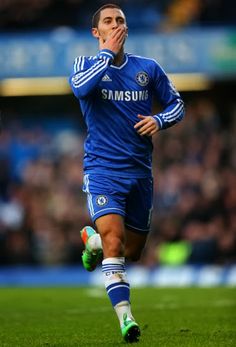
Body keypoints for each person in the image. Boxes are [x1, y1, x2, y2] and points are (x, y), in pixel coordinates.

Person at [69, 3, 184, 343]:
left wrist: (159, 120)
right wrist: (105, 54)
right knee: (115, 242)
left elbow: (177, 104)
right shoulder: (85, 64)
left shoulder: (148, 68)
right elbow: (80, 89)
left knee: (132, 251)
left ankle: (92, 241)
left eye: (120, 20)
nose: (116, 24)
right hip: (102, 170)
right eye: (108, 20)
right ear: (96, 32)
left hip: (140, 173)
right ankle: (127, 319)